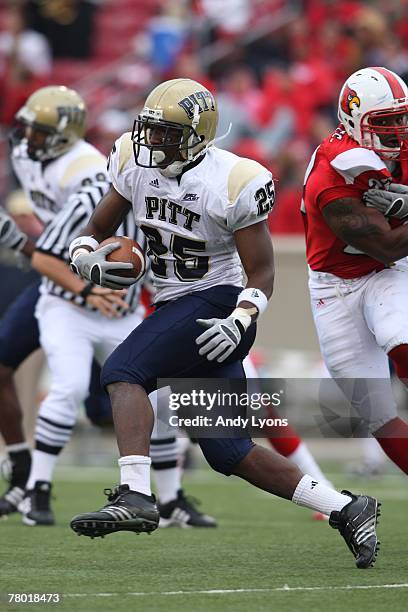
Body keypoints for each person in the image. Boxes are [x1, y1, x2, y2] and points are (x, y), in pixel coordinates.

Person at [69, 77, 380, 569]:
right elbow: (99, 227)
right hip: (174, 303)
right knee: (228, 450)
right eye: (151, 130)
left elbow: (262, 272)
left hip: (221, 303)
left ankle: (135, 494)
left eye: (168, 133)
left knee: (122, 371)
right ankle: (347, 507)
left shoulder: (233, 180)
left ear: (198, 135)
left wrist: (241, 318)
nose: (154, 141)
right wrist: (85, 253)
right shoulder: (133, 160)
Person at [0, 85, 216, 528]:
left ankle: (171, 498)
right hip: (64, 299)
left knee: (152, 397)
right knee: (68, 387)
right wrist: (85, 285)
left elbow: (162, 255)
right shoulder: (100, 189)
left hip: (117, 309)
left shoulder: (154, 192)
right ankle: (34, 487)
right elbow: (50, 251)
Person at [302, 66, 408, 476]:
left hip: (389, 271)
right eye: (387, 121)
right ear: (355, 123)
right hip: (335, 286)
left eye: (402, 117)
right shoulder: (332, 177)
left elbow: (390, 254)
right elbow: (382, 241)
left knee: (402, 345)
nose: (399, 128)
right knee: (378, 416)